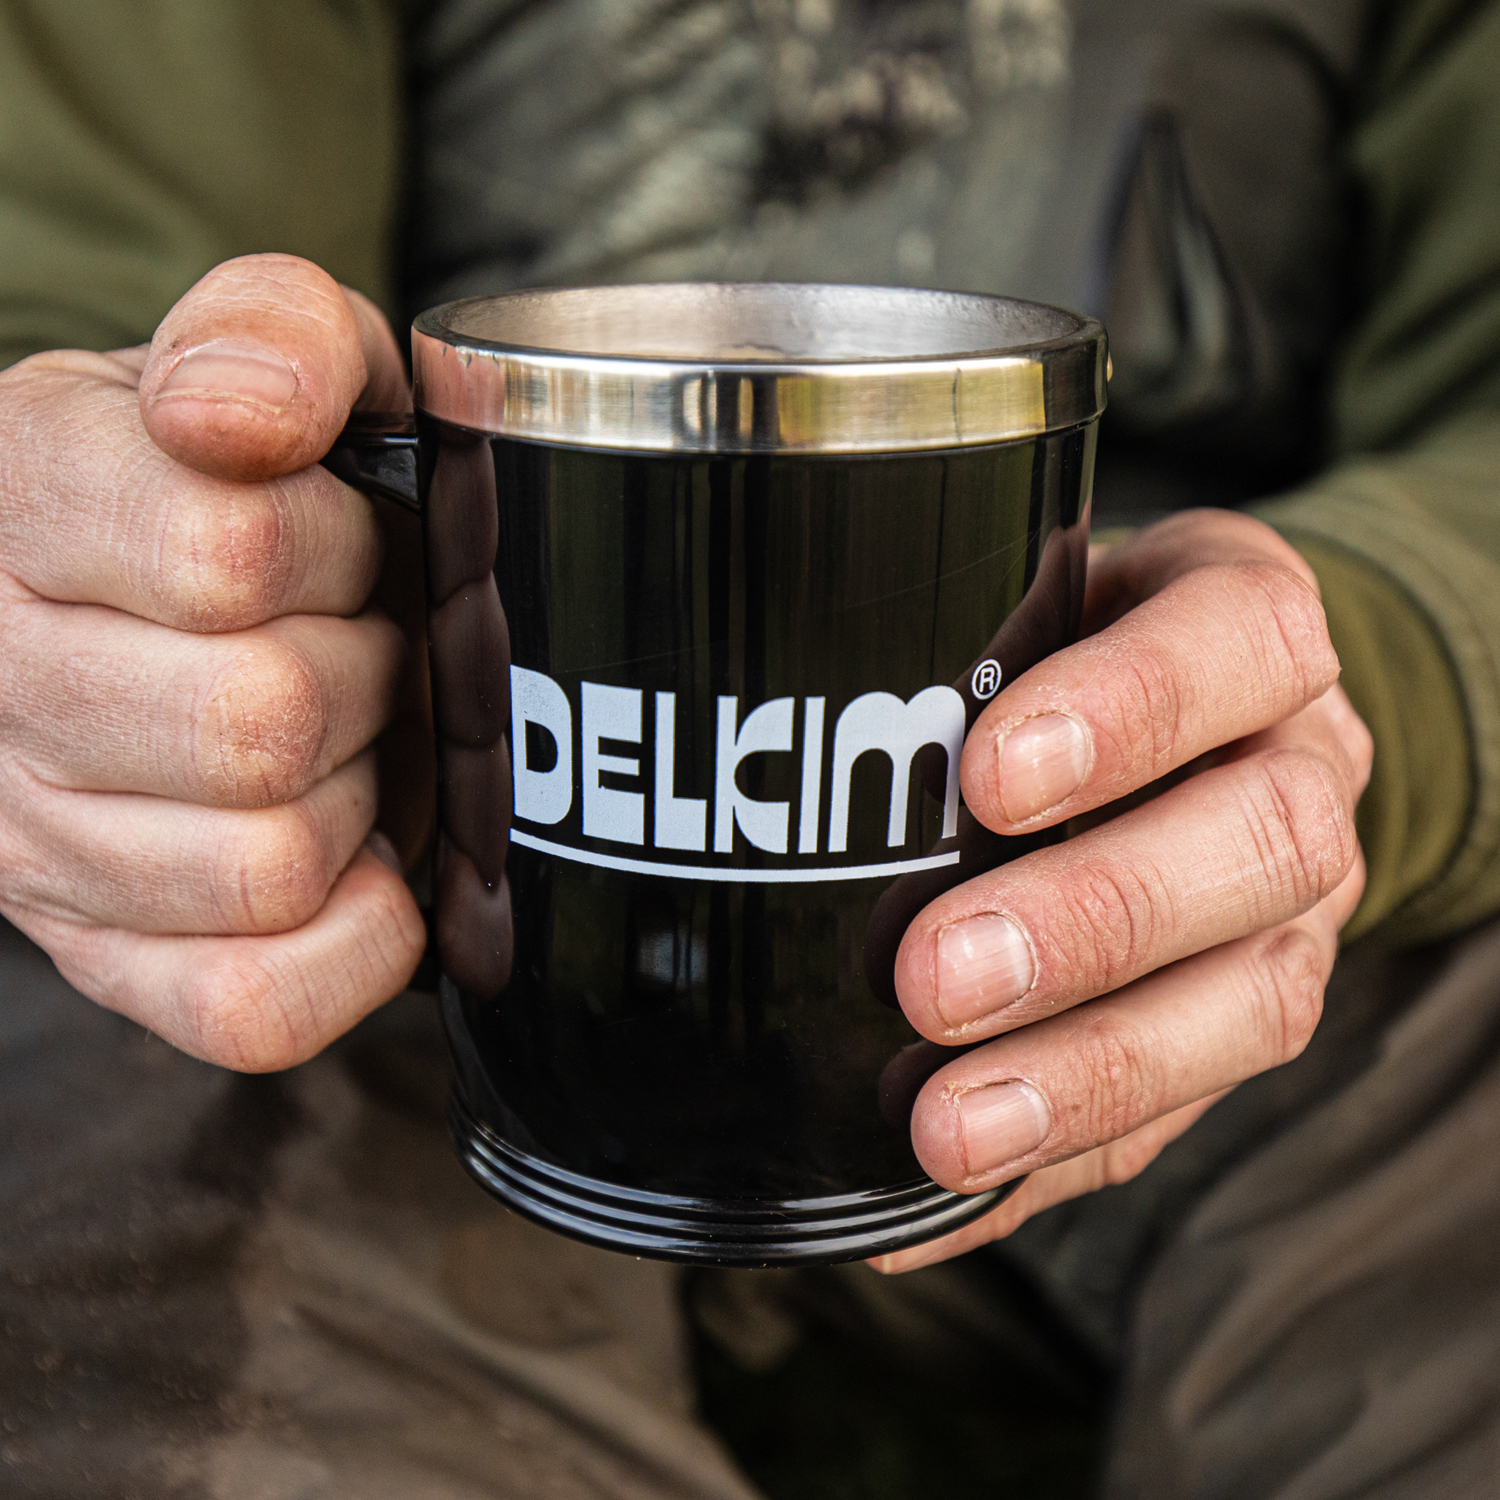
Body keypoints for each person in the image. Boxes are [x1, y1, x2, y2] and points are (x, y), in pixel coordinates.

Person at [0, 0, 1496, 1495]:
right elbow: (87, 308)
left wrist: (1359, 675)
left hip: (1258, 863)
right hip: (375, 910)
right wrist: (126, 593)